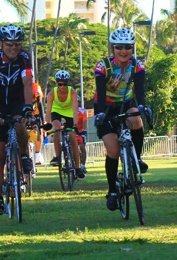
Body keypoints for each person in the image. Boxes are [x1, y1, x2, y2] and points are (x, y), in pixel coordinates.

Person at [0, 24, 35, 216]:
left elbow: (28, 84)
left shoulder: (25, 58)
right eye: (10, 44)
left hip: (17, 102)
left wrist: (28, 106)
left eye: (18, 44)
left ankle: (24, 156)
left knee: (20, 123)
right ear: (1, 43)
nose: (14, 48)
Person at [93, 28, 149, 212]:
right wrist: (101, 114)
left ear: (133, 48)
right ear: (112, 48)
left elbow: (140, 89)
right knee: (113, 150)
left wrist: (142, 105)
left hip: (126, 103)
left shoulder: (137, 65)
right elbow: (100, 93)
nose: (124, 51)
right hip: (105, 106)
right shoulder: (103, 66)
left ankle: (136, 160)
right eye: (119, 47)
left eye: (128, 47)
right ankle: (112, 191)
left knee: (137, 120)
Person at [46, 70, 85, 179]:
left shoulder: (72, 92)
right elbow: (48, 112)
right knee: (57, 129)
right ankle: (57, 156)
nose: (62, 87)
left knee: (73, 137)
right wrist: (47, 125)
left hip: (69, 113)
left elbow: (75, 109)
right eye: (60, 84)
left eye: (65, 84)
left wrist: (75, 125)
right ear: (57, 83)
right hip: (56, 111)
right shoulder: (51, 93)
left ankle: (77, 168)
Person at [30, 82, 46, 165]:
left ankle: (38, 153)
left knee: (39, 129)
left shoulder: (35, 86)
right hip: (21, 111)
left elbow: (39, 102)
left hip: (35, 112)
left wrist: (43, 120)